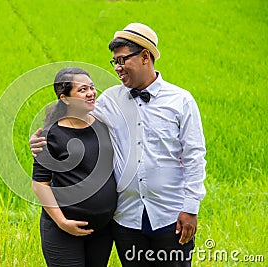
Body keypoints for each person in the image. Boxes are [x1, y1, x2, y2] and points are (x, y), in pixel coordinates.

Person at [30, 23, 206, 266]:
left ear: (145, 56)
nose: (117, 68)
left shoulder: (181, 101)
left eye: (122, 60)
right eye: (114, 62)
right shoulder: (109, 100)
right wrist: (43, 141)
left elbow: (195, 156)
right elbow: (73, 117)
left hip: (171, 216)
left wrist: (191, 208)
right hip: (127, 219)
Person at [31, 67, 118, 267]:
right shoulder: (50, 135)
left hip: (102, 230)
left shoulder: (104, 125)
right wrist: (62, 222)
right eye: (82, 90)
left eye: (92, 87)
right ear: (65, 99)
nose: (91, 93)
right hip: (63, 231)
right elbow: (40, 184)